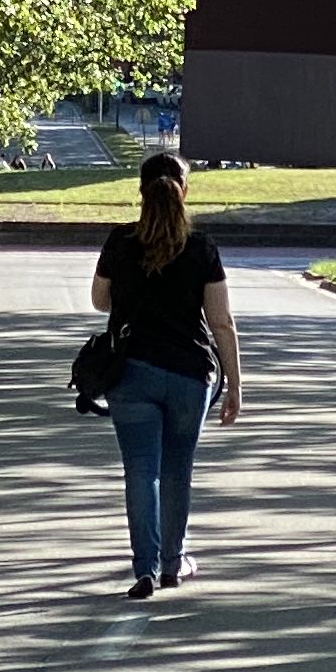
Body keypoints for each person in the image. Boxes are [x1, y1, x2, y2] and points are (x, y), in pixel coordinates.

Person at [91, 150, 242, 598]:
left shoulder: (119, 242)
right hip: (189, 376)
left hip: (131, 373)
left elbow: (100, 301)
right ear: (185, 191)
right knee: (177, 470)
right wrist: (236, 383)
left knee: (141, 470)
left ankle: (145, 568)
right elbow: (221, 321)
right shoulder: (200, 248)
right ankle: (174, 562)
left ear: (140, 191)